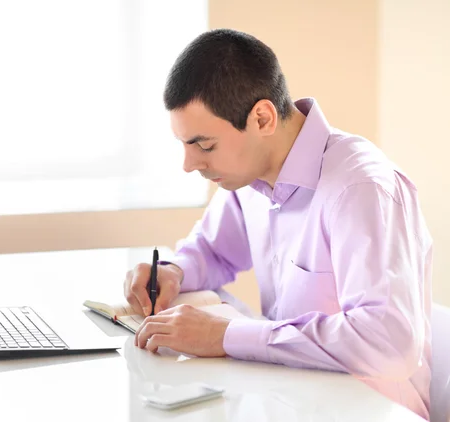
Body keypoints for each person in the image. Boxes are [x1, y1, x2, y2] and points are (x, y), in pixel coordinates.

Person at [122, 28, 432, 420]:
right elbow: (213, 251)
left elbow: (388, 344)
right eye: (184, 145)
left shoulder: (361, 188)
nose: (189, 165)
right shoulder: (248, 176)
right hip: (288, 397)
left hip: (371, 408)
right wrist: (173, 272)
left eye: (204, 145)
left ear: (262, 118)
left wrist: (225, 335)